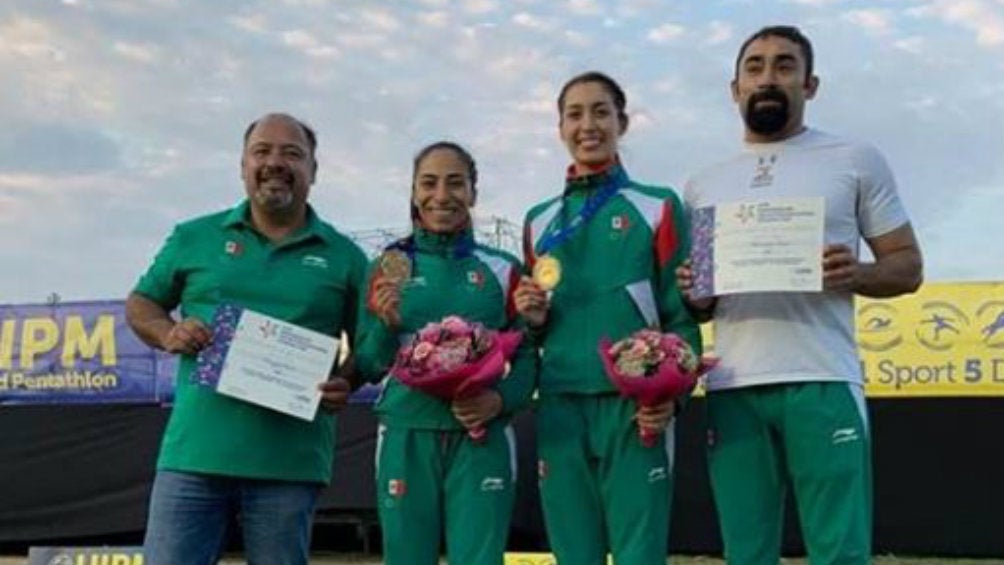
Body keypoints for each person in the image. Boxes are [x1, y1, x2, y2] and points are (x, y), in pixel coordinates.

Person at [677, 26, 923, 565]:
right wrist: (694, 292)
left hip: (823, 378)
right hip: (734, 385)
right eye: (755, 67)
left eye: (784, 66)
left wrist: (854, 273)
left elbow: (907, 267)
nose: (768, 77)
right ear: (734, 87)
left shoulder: (855, 159)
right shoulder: (702, 184)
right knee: (746, 552)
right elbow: (702, 302)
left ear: (809, 84)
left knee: (839, 551)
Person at [125, 113, 368, 565]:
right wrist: (168, 331)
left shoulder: (346, 257)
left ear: (314, 170)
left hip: (288, 465)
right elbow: (141, 302)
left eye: (292, 153)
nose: (275, 162)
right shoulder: (193, 237)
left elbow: (369, 345)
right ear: (242, 165)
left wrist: (348, 381)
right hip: (194, 456)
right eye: (262, 151)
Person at [514, 72, 702, 565]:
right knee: (574, 556)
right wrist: (532, 320)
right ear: (560, 128)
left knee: (640, 554)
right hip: (560, 407)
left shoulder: (657, 205)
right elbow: (534, 330)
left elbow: (680, 318)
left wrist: (671, 397)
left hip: (634, 408)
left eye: (600, 111)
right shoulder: (538, 220)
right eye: (574, 114)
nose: (588, 124)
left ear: (622, 121)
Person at [353, 141, 537, 565]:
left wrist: (499, 400)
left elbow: (527, 357)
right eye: (429, 183)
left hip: (481, 437)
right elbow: (368, 364)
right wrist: (386, 325)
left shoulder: (503, 269)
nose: (442, 196)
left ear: (473, 192)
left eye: (456, 183)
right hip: (406, 434)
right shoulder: (386, 266)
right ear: (414, 191)